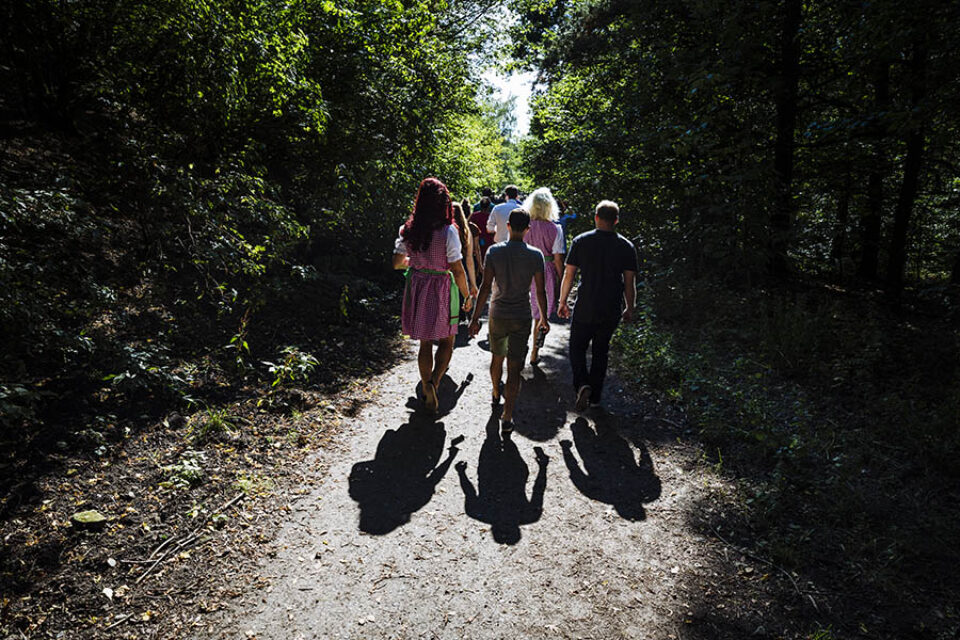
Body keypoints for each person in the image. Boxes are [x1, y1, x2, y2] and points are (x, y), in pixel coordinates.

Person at [393, 178, 473, 412]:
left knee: (425, 342)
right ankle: (434, 384)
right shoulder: (449, 231)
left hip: (417, 286)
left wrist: (417, 262)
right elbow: (457, 269)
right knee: (447, 339)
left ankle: (426, 382)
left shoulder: (408, 230)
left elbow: (397, 263)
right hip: (441, 288)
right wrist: (467, 295)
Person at [469, 208, 549, 433]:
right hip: (522, 316)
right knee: (515, 368)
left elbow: (485, 287)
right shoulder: (535, 255)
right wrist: (543, 317)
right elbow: (540, 291)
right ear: (527, 229)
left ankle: (496, 392)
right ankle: (508, 415)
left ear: (508, 226)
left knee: (497, 358)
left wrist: (475, 319)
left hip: (498, 314)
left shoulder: (494, 252)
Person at [558, 200, 637, 411]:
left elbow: (569, 274)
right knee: (601, 350)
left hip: (586, 303)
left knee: (577, 347)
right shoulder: (626, 246)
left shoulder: (581, 241)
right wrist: (630, 307)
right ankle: (595, 397)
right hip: (611, 306)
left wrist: (562, 301)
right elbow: (629, 282)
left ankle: (582, 383)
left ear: (596, 217)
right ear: (616, 220)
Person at [522, 187, 565, 365]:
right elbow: (558, 259)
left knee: (523, 309)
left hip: (524, 269)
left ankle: (519, 347)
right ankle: (534, 351)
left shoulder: (525, 226)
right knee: (540, 315)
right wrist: (561, 282)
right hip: (545, 271)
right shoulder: (556, 229)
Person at [451, 201, 480, 310]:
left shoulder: (443, 231)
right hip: (462, 268)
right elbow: (469, 259)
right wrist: (473, 283)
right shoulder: (466, 232)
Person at [468, 197, 496, 261]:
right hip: (489, 240)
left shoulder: (474, 215)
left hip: (476, 240)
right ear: (489, 206)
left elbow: (468, 225)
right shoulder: (491, 216)